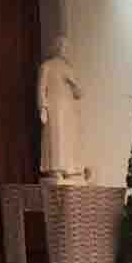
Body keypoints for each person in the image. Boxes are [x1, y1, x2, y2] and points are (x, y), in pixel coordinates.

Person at [37, 35, 84, 180]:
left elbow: (79, 94)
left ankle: (68, 167)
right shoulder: (47, 66)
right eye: (61, 45)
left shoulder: (69, 68)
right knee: (55, 137)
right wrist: (42, 107)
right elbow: (41, 89)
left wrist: (73, 84)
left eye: (65, 46)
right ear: (56, 47)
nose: (63, 49)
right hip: (54, 107)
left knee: (67, 137)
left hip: (68, 107)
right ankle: (54, 168)